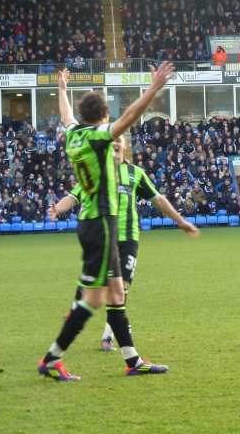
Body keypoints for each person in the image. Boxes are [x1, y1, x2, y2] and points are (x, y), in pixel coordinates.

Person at [37, 63, 174, 382]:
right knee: (94, 299)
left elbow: (66, 116)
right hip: (99, 223)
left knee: (115, 292)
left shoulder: (74, 134)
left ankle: (132, 360)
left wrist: (61, 89)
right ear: (102, 116)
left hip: (97, 226)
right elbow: (130, 117)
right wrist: (153, 89)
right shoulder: (99, 137)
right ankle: (51, 358)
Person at [51, 134, 199, 363]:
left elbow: (158, 199)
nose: (117, 144)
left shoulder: (135, 174)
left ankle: (108, 337)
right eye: (113, 141)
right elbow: (74, 196)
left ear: (125, 146)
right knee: (93, 287)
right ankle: (76, 317)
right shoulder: (96, 173)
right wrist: (57, 209)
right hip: (103, 237)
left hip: (128, 238)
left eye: (121, 141)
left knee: (122, 289)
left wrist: (180, 221)